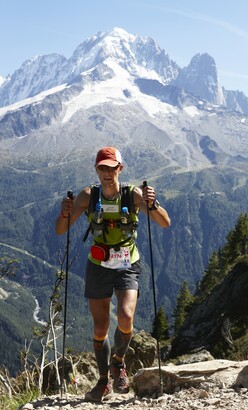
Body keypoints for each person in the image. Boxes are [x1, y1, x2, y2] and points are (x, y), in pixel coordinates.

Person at [55, 146, 171, 402]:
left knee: (126, 317)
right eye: (102, 168)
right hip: (97, 265)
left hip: (128, 263)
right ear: (97, 170)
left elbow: (164, 222)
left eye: (112, 168)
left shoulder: (134, 195)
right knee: (100, 327)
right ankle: (104, 380)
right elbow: (61, 230)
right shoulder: (88, 196)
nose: (107, 174)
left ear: (121, 168)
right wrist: (65, 212)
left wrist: (153, 204)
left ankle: (119, 361)